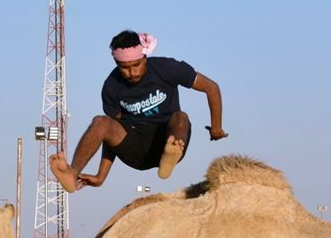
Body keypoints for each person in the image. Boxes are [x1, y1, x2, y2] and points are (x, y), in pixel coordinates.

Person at [49, 30, 226, 193]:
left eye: (136, 65)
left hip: (168, 139)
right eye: (124, 67)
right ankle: (72, 173)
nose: (131, 72)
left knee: (181, 117)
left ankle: (169, 156)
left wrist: (216, 128)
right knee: (100, 122)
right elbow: (110, 134)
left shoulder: (167, 68)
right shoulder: (112, 86)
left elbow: (211, 87)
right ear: (116, 63)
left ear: (145, 57)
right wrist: (101, 176)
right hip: (135, 151)